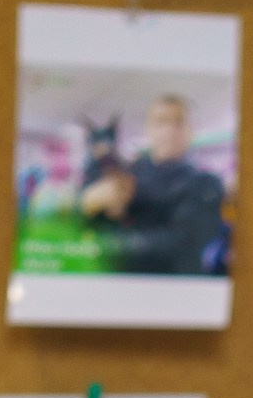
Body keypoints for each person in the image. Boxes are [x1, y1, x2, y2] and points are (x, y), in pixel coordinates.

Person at [78, 95, 229, 279]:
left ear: (191, 130)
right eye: (160, 122)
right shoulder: (123, 175)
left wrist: (107, 244)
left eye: (179, 122)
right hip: (123, 289)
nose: (169, 130)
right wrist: (87, 202)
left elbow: (183, 242)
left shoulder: (206, 184)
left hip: (179, 290)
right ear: (148, 130)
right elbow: (83, 225)